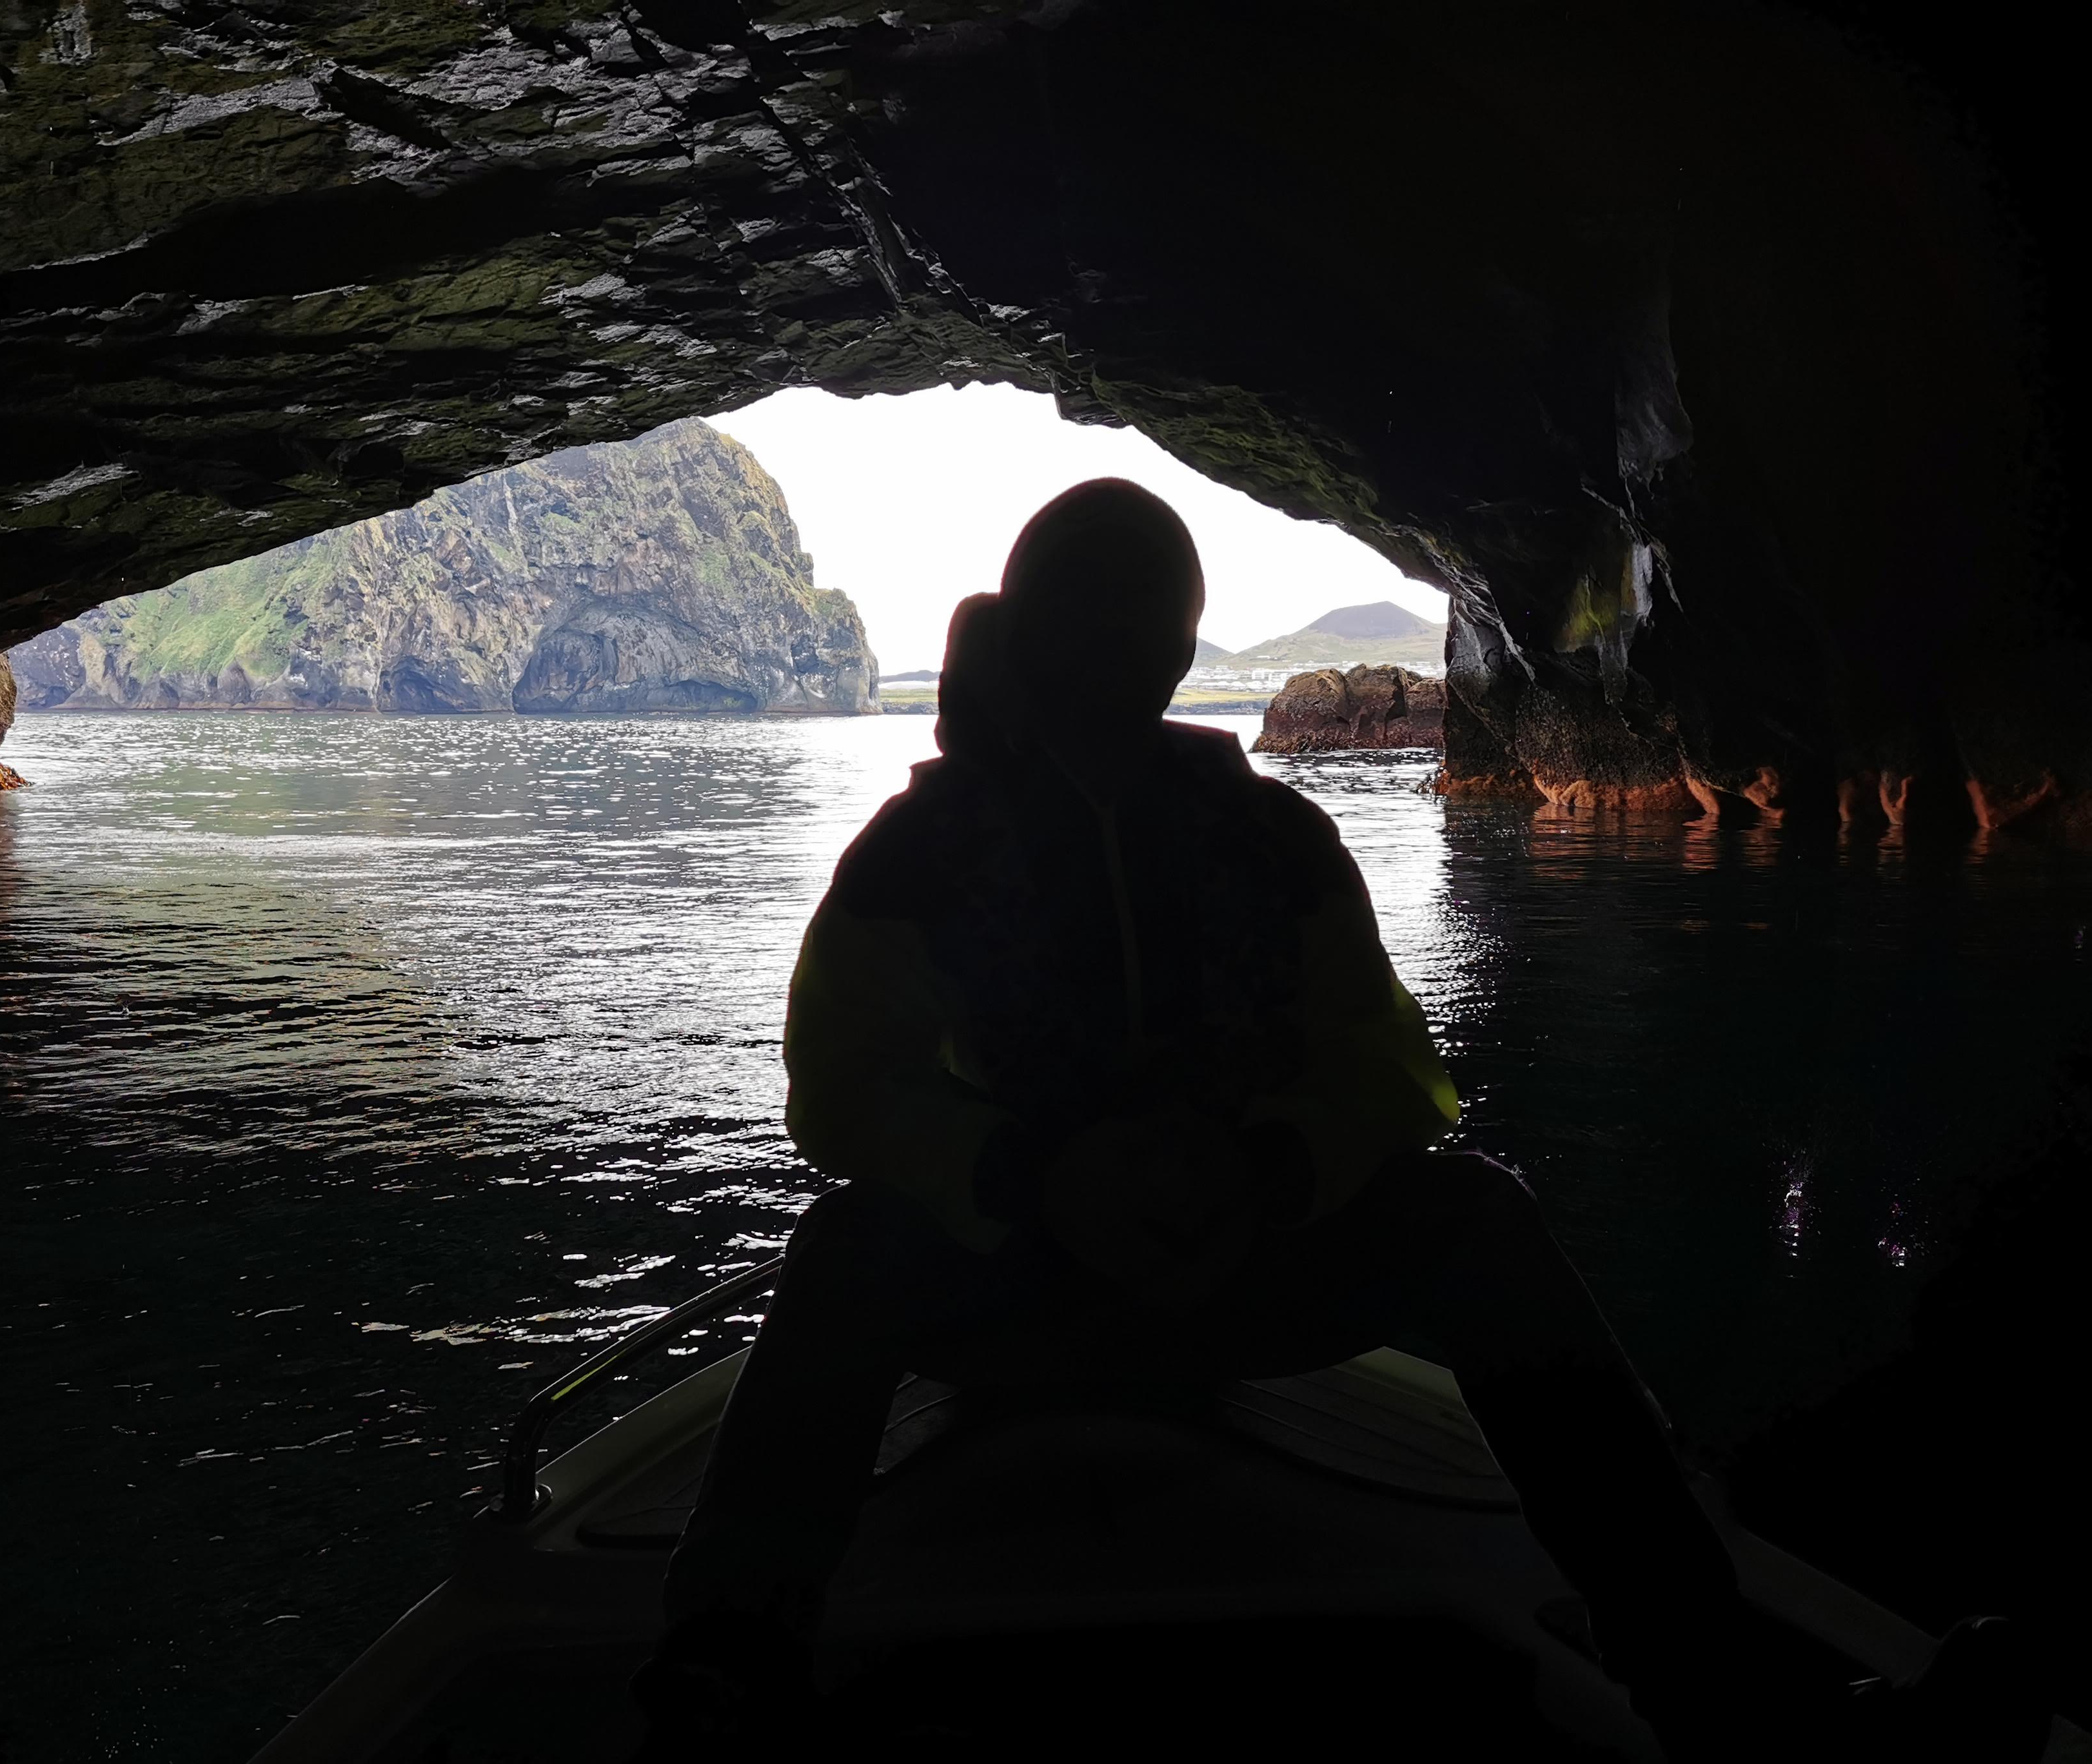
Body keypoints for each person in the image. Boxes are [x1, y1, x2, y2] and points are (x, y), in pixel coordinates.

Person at [629, 480, 2040, 1762]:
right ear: (1064, 633)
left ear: (1172, 651)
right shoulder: (941, 847)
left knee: (1474, 1214)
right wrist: (1030, 1176)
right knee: (843, 1247)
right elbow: (840, 1091)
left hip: (1198, 1265)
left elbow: (1389, 1070)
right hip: (1030, 1276)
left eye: (1130, 615)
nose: (1111, 645)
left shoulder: (1260, 843)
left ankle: (1710, 1681)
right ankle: (727, 1667)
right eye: (1089, 612)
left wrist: (1261, 1170)